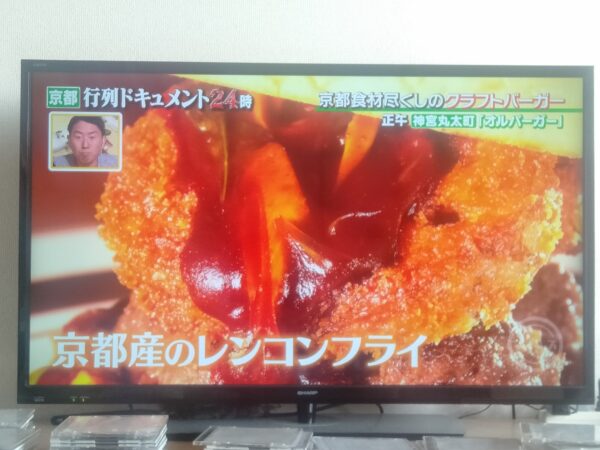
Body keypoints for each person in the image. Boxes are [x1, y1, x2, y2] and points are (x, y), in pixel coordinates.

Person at [53, 116, 118, 168]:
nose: (85, 145)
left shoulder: (116, 163)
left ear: (103, 141)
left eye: (92, 137)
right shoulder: (55, 163)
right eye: (78, 137)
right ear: (69, 140)